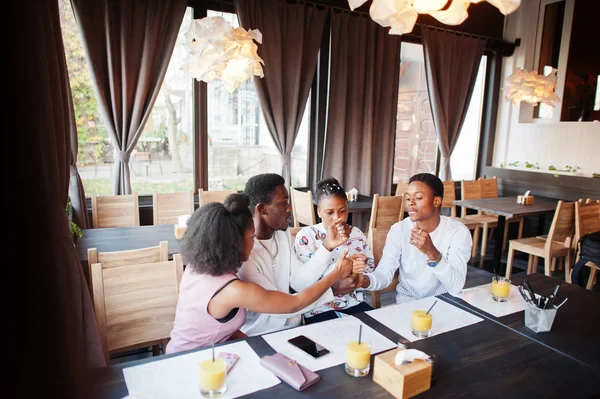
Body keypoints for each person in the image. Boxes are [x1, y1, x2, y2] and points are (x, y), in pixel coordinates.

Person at [166, 193, 352, 354]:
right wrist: (335, 274)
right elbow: (294, 304)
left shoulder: (196, 268)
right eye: (251, 237)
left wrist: (258, 349)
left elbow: (220, 329)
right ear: (234, 243)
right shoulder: (234, 290)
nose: (254, 243)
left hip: (207, 352)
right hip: (190, 362)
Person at [239, 173, 355, 336]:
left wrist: (327, 246)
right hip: (261, 335)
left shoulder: (282, 235)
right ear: (262, 209)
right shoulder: (246, 255)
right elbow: (281, 308)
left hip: (295, 327)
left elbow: (300, 282)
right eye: (283, 203)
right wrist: (333, 287)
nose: (289, 208)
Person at [357, 173, 472, 303]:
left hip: (444, 303)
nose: (410, 203)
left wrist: (431, 252)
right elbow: (385, 273)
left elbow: (456, 285)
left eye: (418, 197)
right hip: (407, 304)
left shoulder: (458, 232)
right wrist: (364, 280)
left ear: (436, 201)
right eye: (408, 198)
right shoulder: (399, 230)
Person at [294, 177, 375, 324]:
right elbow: (305, 283)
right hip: (319, 308)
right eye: (329, 212)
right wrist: (340, 269)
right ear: (319, 211)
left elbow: (370, 269)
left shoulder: (356, 233)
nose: (337, 218)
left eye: (342, 211)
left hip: (354, 302)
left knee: (378, 332)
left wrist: (359, 271)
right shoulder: (307, 237)